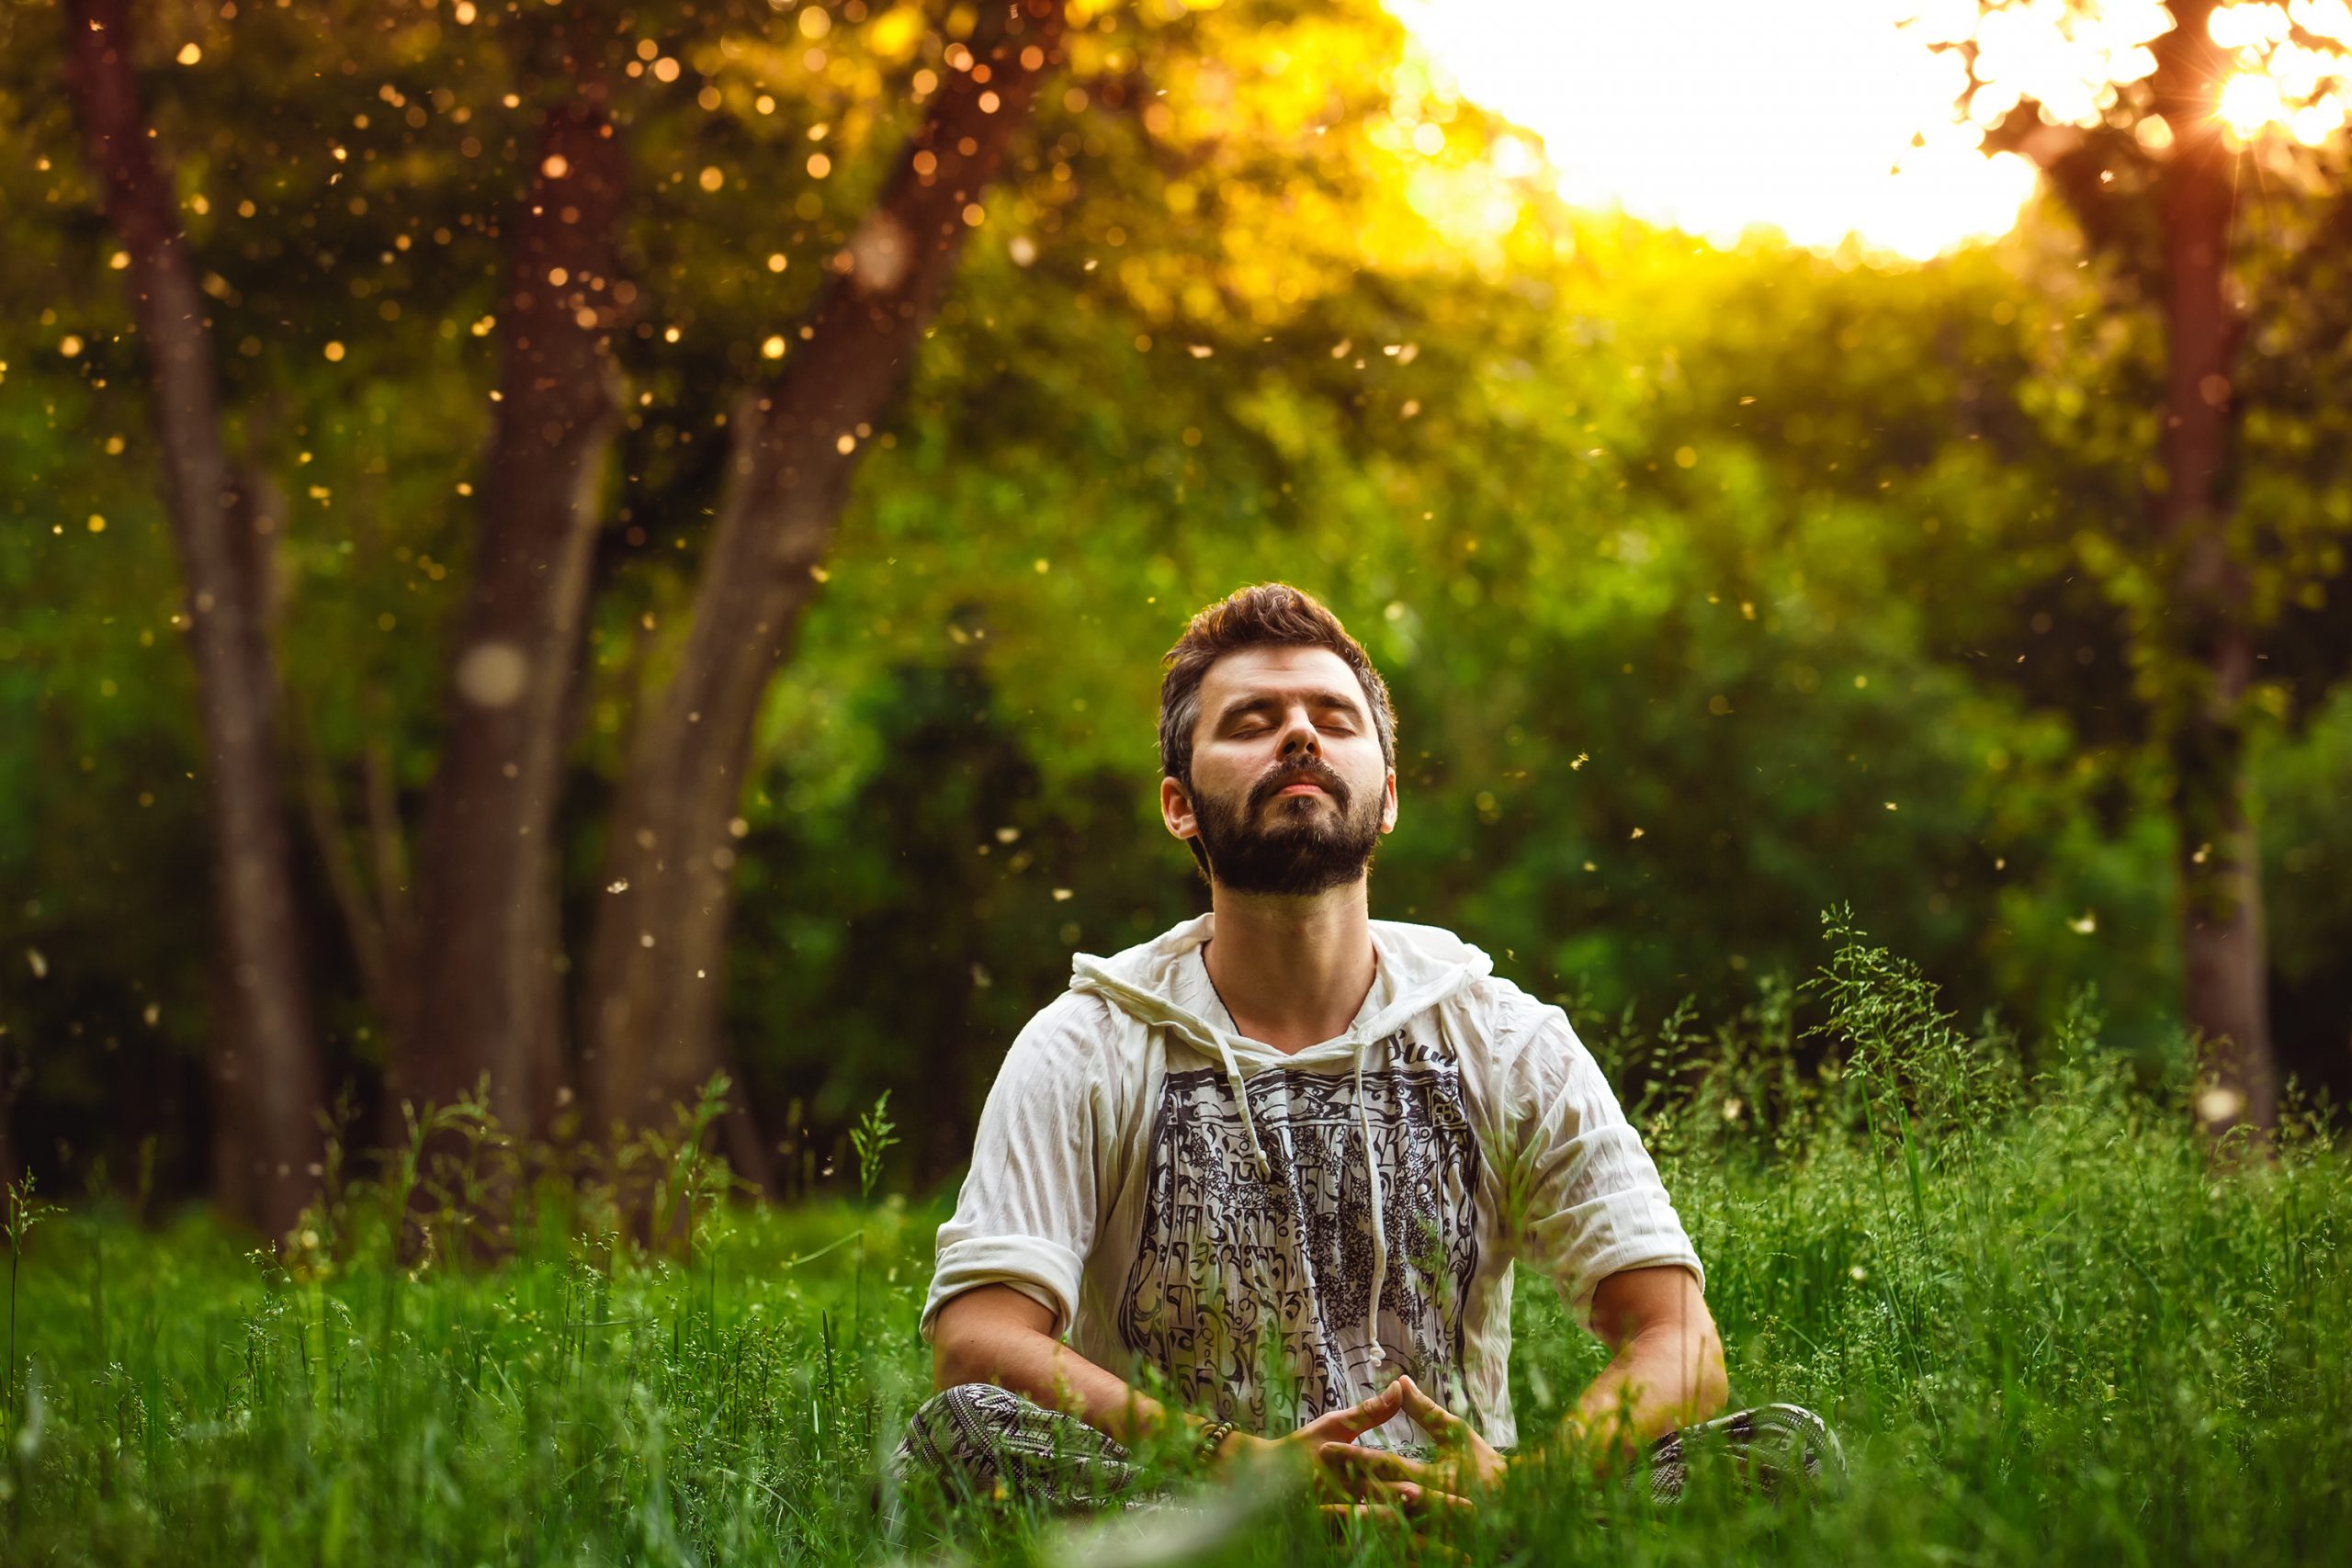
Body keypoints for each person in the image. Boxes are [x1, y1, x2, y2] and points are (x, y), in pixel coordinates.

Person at [892, 583, 1840, 1529]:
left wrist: (1531, 1491)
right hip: (1198, 1519)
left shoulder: (1507, 1041)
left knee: (1784, 1454)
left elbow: (1678, 1340)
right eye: (1252, 721)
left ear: (1386, 796)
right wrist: (1239, 1471)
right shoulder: (1086, 1044)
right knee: (958, 1441)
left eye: (1331, 717)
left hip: (1462, 1524)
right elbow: (978, 1343)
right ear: (1179, 806)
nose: (1297, 737)